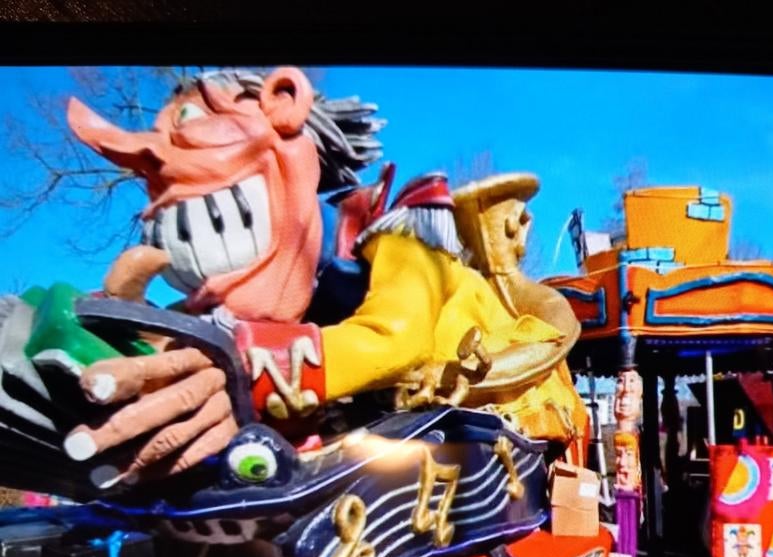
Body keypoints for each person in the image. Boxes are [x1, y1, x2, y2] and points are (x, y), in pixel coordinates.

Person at [13, 67, 585, 490]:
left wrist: (238, 365)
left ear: (285, 101)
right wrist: (136, 331)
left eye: (220, 214)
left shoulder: (402, 235)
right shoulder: (284, 285)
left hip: (489, 412)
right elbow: (219, 331)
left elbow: (395, 339)